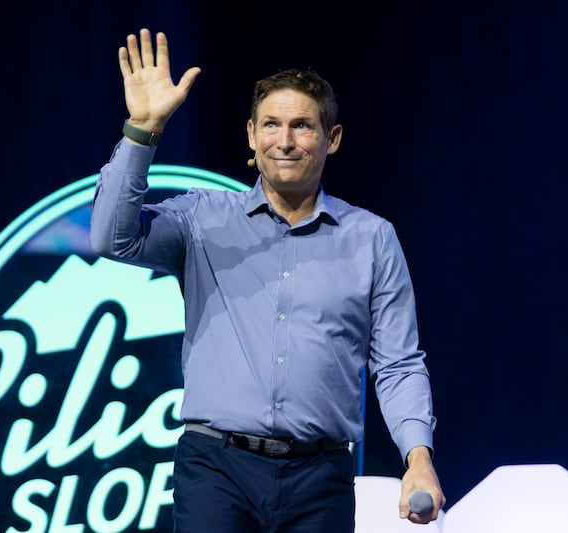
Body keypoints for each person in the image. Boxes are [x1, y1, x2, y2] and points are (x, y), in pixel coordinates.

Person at [90, 27, 446, 533]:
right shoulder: (201, 218)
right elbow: (111, 238)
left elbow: (397, 363)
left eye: (302, 126)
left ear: (333, 138)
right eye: (272, 125)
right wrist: (142, 130)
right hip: (216, 467)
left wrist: (418, 457)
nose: (285, 140)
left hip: (320, 475)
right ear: (251, 136)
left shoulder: (372, 238)